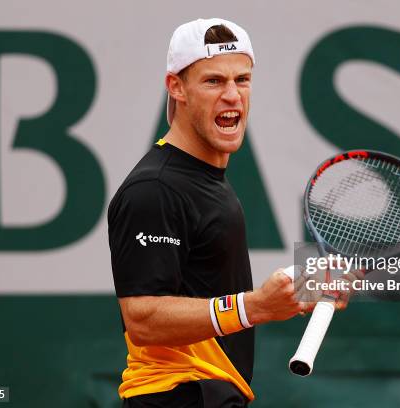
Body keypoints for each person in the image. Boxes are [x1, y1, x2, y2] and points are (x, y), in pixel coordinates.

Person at [107, 17, 359, 407]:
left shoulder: (206, 180)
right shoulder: (154, 190)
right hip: (178, 395)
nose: (232, 95)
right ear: (176, 87)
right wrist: (255, 306)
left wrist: (302, 292)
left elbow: (205, 287)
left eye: (242, 80)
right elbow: (142, 319)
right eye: (213, 81)